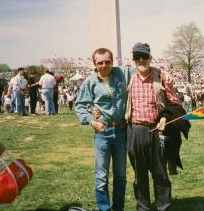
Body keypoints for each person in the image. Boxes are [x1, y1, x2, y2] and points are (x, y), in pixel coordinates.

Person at [125, 42, 180, 211]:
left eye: (144, 56)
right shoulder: (127, 76)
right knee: (139, 175)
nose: (141, 60)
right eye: (137, 57)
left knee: (160, 173)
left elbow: (175, 102)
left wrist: (164, 117)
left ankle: (163, 206)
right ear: (133, 59)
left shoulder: (160, 76)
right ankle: (143, 207)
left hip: (158, 130)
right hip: (135, 130)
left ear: (151, 58)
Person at [75, 48, 127, 211]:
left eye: (107, 62)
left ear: (112, 62)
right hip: (102, 133)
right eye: (100, 62)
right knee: (102, 177)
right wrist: (92, 121)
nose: (104, 65)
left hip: (121, 131)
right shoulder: (90, 81)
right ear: (94, 64)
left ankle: (118, 208)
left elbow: (142, 66)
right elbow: (80, 106)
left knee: (120, 176)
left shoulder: (120, 73)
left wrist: (163, 72)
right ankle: (104, 209)